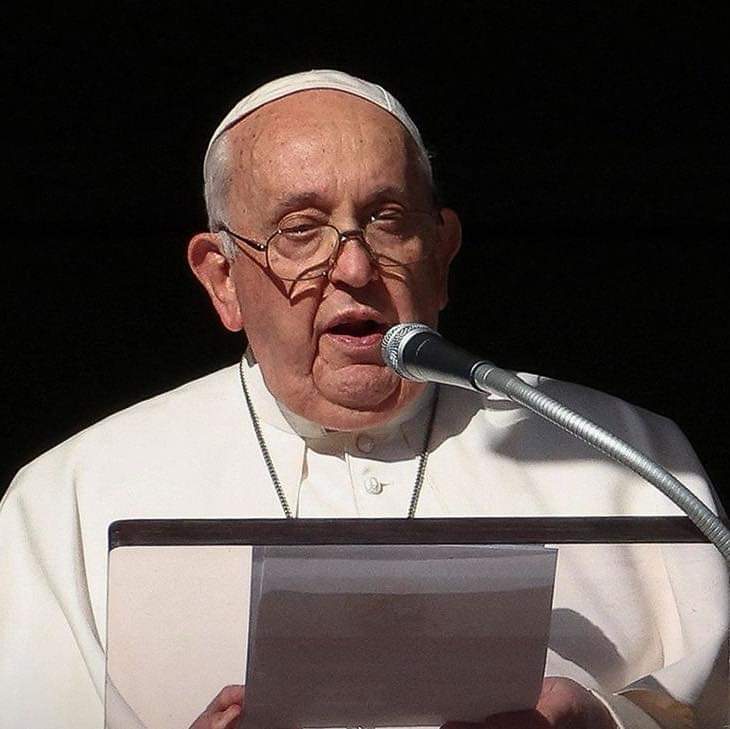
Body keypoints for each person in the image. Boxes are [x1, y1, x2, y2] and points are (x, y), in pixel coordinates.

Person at [0, 70, 727, 729]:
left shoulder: (626, 458)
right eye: (300, 230)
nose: (352, 268)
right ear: (222, 278)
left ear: (441, 255)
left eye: (387, 220)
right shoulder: (69, 498)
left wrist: (603, 721)